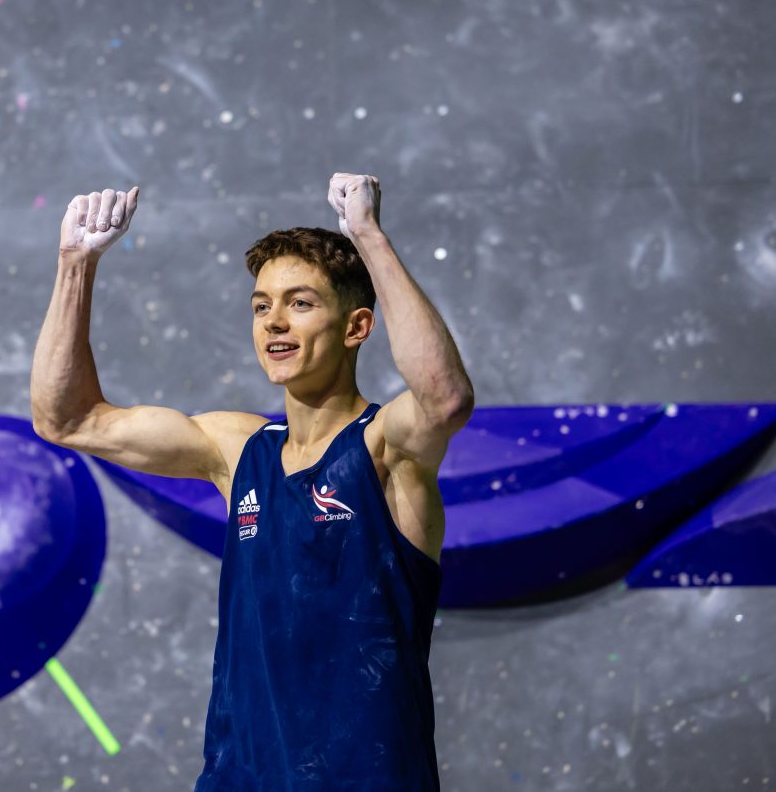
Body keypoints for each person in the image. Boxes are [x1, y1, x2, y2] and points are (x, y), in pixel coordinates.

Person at [31, 173, 474, 791]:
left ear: (356, 327)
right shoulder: (237, 451)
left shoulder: (385, 448)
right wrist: (75, 265)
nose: (273, 323)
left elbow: (445, 398)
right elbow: (67, 419)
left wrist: (369, 237)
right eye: (262, 306)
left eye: (300, 303)